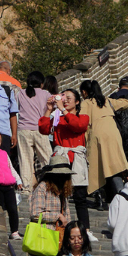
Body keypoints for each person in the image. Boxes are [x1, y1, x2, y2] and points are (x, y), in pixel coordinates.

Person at [39, 89, 92, 236]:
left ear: (77, 102)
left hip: (76, 158)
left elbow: (78, 126)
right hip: (60, 157)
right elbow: (43, 129)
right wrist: (49, 110)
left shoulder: (83, 117)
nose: (65, 100)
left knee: (80, 195)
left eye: (69, 98)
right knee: (58, 193)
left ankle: (85, 229)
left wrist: (62, 109)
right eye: (63, 97)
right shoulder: (57, 118)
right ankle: (59, 226)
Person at [79, 80, 128, 211]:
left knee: (95, 168)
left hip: (96, 133)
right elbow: (127, 103)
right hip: (113, 133)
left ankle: (99, 200)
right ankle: (123, 196)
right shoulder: (107, 100)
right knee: (114, 167)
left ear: (84, 92)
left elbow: (82, 119)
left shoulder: (86, 103)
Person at [29, 155, 76, 256]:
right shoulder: (42, 188)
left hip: (60, 240)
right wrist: (57, 216)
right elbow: (35, 214)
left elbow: (67, 215)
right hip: (44, 238)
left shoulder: (63, 191)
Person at [17, 71, 55, 190]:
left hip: (23, 130)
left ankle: (26, 187)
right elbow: (51, 110)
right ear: (42, 84)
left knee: (25, 160)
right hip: (40, 130)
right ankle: (51, 185)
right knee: (47, 159)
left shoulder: (20, 93)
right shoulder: (45, 94)